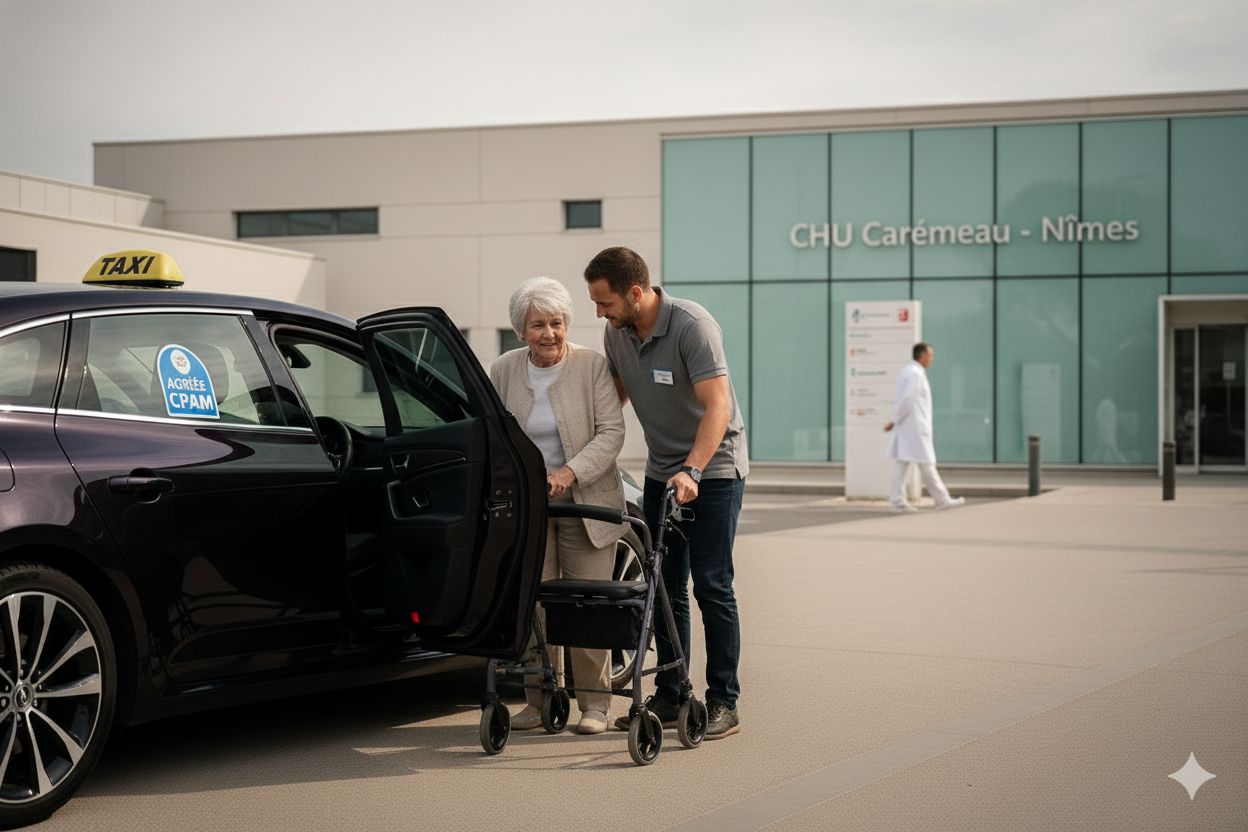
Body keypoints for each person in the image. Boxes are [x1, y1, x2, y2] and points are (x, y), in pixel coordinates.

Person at [583, 246, 748, 740]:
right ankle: (674, 694)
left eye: (605, 303)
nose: (600, 313)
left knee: (711, 585)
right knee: (664, 584)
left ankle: (724, 700)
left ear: (636, 292)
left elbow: (716, 407)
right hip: (661, 472)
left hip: (713, 470)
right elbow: (614, 400)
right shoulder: (617, 334)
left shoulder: (692, 326)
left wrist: (693, 470)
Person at [489, 276, 626, 735]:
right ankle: (539, 698)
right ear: (519, 330)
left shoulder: (591, 365)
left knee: (588, 602)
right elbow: (496, 433)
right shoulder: (505, 369)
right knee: (534, 605)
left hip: (587, 503)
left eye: (556, 323)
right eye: (538, 325)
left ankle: (596, 706)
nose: (549, 334)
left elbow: (611, 432)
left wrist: (570, 472)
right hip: (531, 508)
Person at [883, 342, 965, 513]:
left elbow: (905, 399)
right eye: (930, 355)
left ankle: (898, 501)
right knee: (926, 463)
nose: (932, 359)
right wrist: (894, 420)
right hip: (915, 427)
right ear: (922, 356)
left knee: (902, 464)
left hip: (909, 427)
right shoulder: (915, 374)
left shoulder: (908, 371)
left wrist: (895, 420)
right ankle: (942, 500)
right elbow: (908, 399)